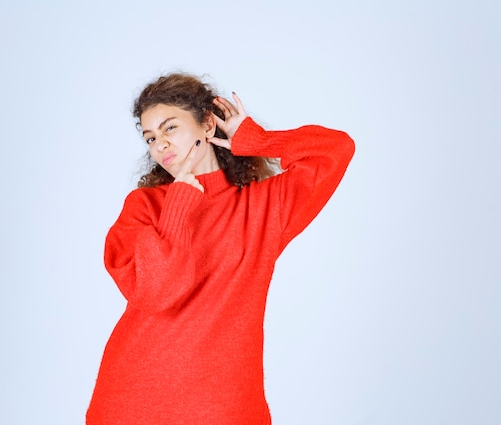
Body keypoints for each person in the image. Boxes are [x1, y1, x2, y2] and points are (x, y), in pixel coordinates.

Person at [86, 73, 355, 425]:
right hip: (134, 400)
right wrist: (180, 201)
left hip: (225, 405)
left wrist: (257, 140)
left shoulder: (262, 208)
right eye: (150, 137)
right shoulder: (144, 207)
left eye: (170, 129)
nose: (160, 145)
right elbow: (156, 293)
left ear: (208, 125)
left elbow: (335, 150)